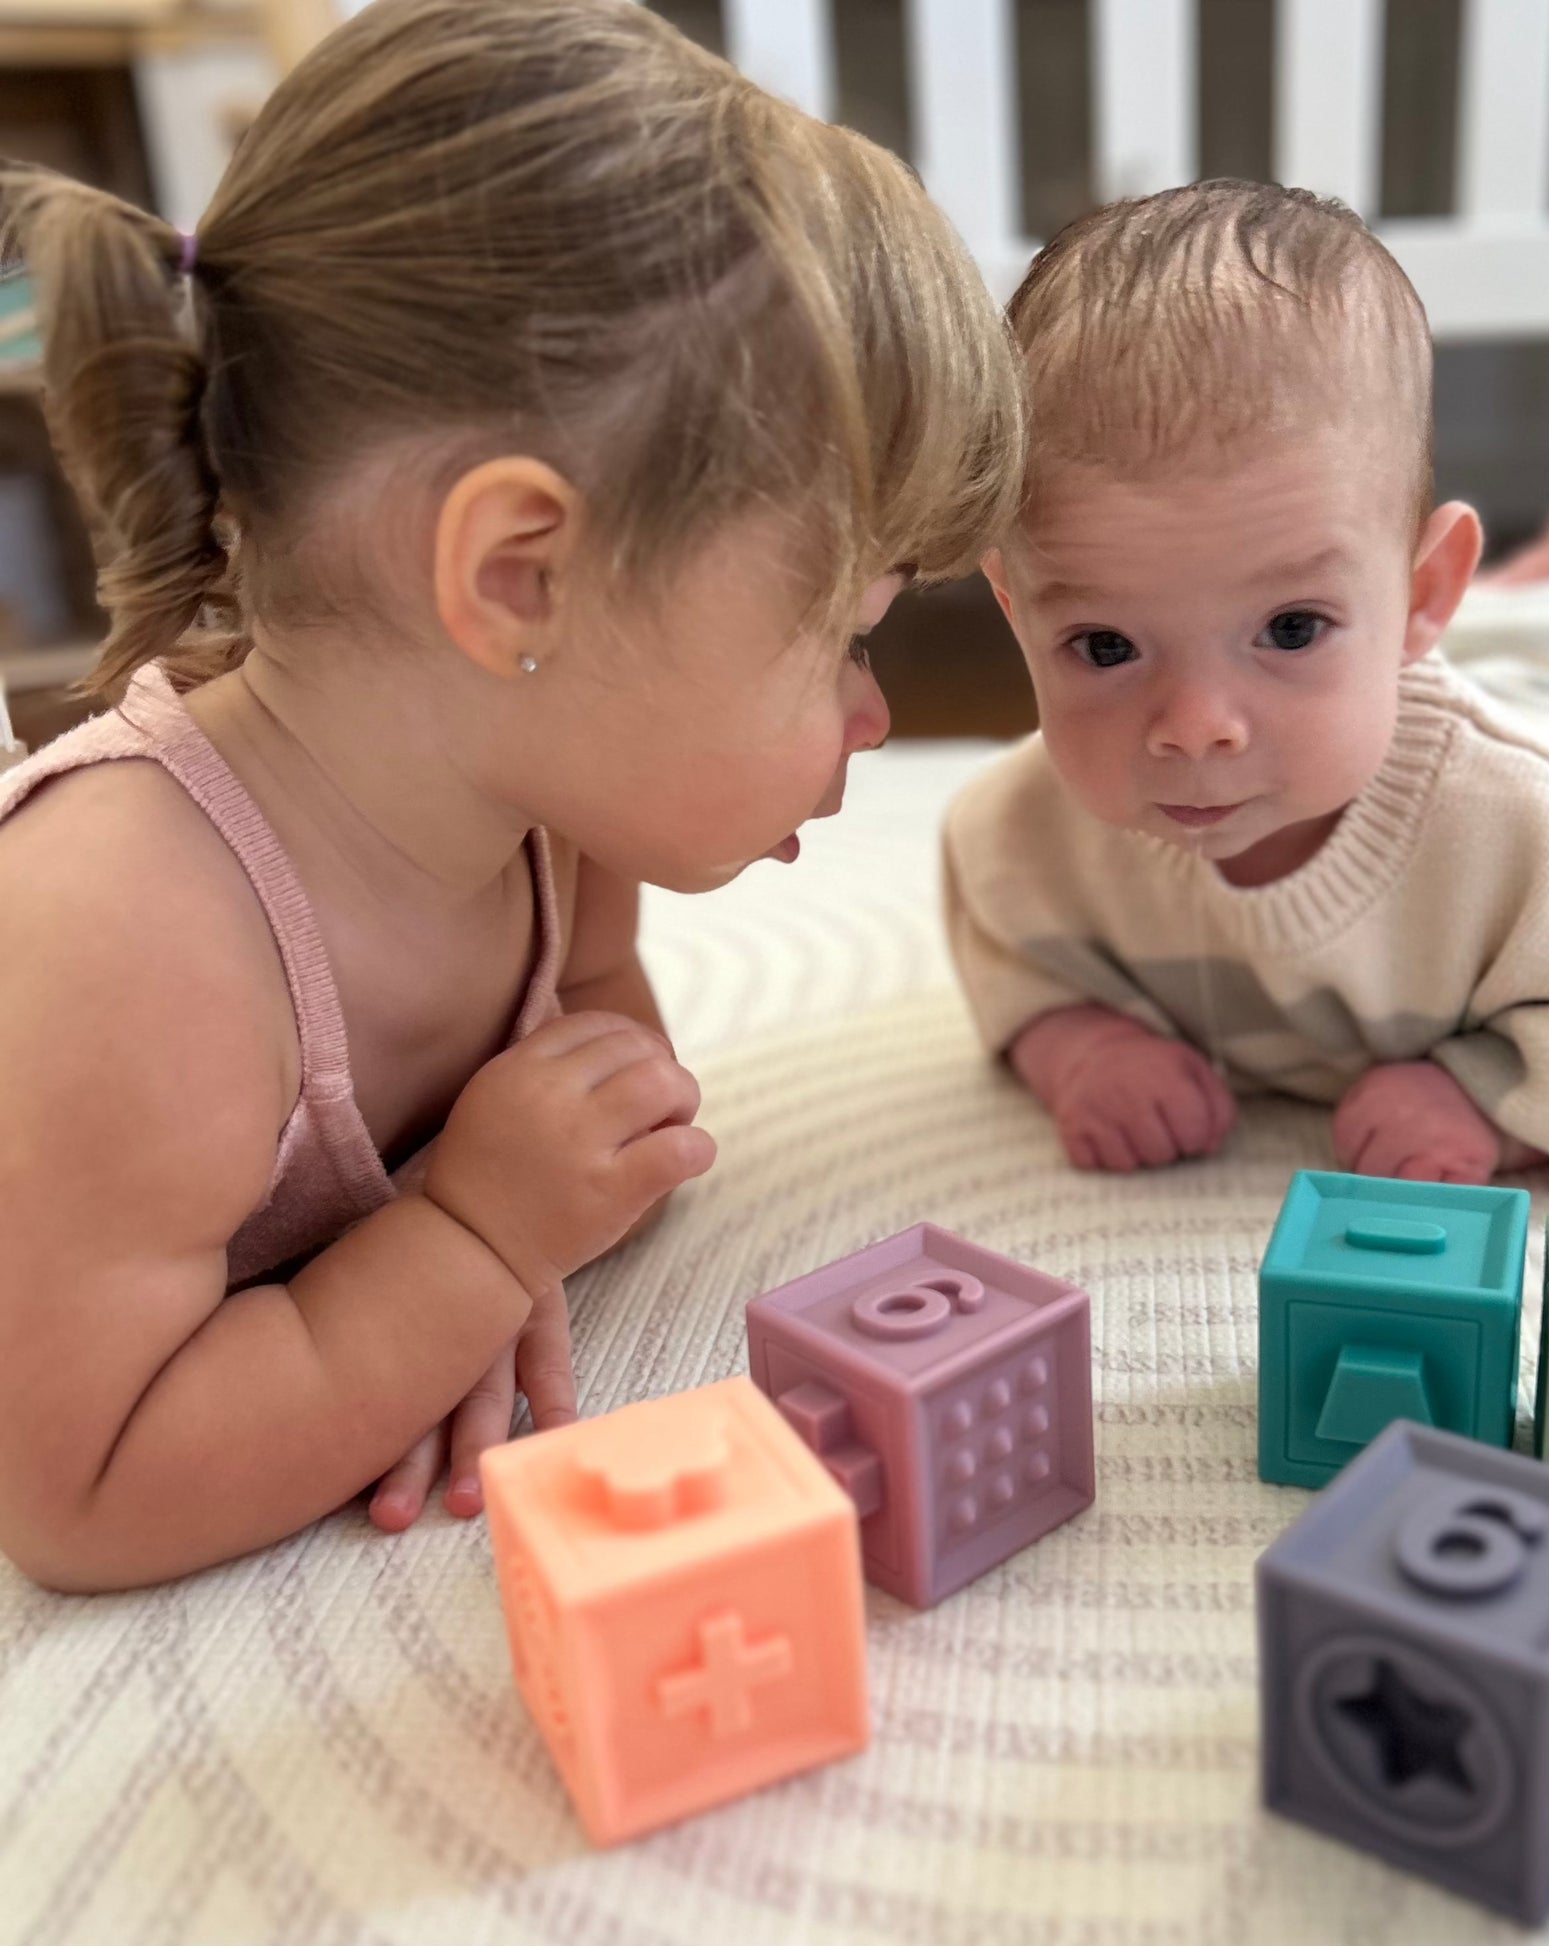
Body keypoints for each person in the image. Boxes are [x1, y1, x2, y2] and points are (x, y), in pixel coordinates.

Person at [0, 0, 1021, 1590]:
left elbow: (610, 1082)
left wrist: (417, 1281)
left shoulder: (552, 818)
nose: (875, 716)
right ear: (519, 579)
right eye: (847, 634)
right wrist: (464, 1250)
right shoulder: (133, 938)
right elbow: (80, 1491)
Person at [944, 181, 1549, 1191]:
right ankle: (1512, 579)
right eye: (1102, 645)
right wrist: (1076, 1045)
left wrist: (1488, 1093)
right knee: (1393, 641)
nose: (1194, 729)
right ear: (1015, 608)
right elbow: (1010, 952)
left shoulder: (1547, 836)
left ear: (1422, 587)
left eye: (1288, 627)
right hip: (1414, 632)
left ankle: (1543, 584)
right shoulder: (1020, 837)